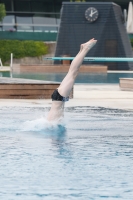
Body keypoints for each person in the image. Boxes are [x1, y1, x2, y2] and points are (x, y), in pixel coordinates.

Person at [47, 38, 97, 122]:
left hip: (59, 98)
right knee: (72, 72)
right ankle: (82, 49)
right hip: (58, 98)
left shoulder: (51, 125)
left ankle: (85, 49)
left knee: (73, 73)